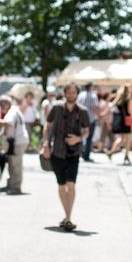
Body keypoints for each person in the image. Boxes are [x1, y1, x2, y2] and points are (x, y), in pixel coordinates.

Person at [40, 83, 89, 231]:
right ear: (65, 93)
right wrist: (46, 144)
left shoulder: (82, 111)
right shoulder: (56, 108)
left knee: (71, 185)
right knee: (61, 185)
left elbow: (86, 131)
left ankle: (68, 217)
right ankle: (66, 216)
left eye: (74, 93)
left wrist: (78, 139)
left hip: (74, 152)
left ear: (77, 94)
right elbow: (47, 126)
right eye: (69, 92)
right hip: (57, 151)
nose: (71, 95)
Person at [0, 95, 29, 195]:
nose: (1, 107)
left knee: (16, 165)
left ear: (7, 103)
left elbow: (8, 123)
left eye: (2, 104)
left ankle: (16, 187)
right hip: (16, 141)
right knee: (11, 164)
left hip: (17, 141)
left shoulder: (12, 111)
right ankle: (10, 185)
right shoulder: (14, 110)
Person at [106, 85, 132, 164]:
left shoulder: (118, 98)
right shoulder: (128, 98)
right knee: (128, 139)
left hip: (120, 120)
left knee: (122, 138)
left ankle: (111, 152)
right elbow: (129, 110)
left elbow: (111, 105)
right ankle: (126, 155)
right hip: (126, 120)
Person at [76, 83, 100, 162]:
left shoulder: (80, 95)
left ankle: (79, 152)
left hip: (80, 119)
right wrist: (99, 115)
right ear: (90, 87)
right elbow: (94, 108)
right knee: (89, 138)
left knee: (80, 136)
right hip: (90, 119)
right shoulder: (93, 96)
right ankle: (86, 155)